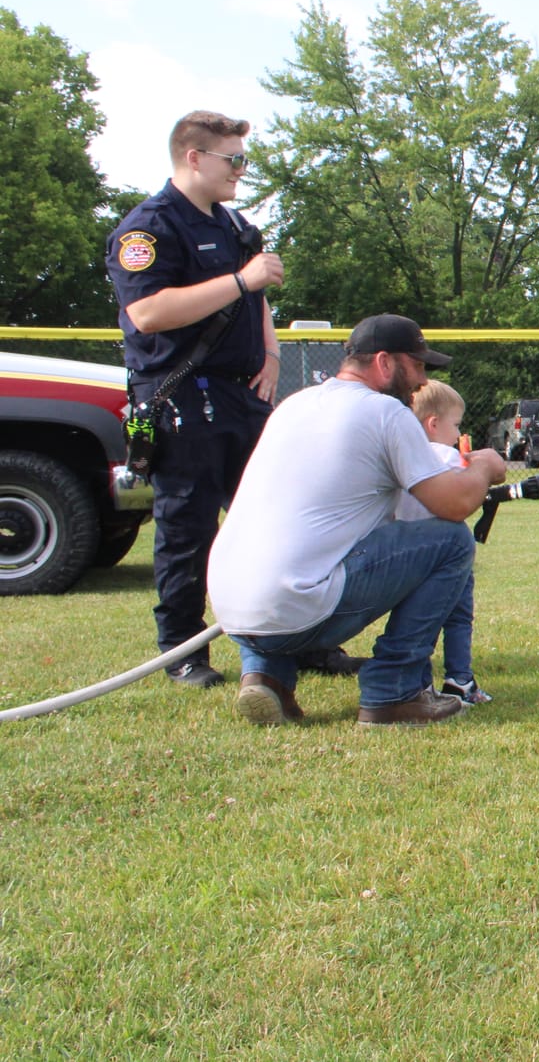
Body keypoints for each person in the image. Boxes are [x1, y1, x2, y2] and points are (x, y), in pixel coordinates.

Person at [104, 111, 358, 687]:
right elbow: (147, 313)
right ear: (194, 157)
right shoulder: (148, 230)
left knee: (285, 525)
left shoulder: (233, 223)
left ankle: (304, 641)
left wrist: (269, 356)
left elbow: (256, 301)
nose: (241, 170)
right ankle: (183, 653)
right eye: (233, 159)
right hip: (180, 400)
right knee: (188, 529)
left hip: (241, 396)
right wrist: (242, 280)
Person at [208, 315, 508, 727]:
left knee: (298, 558)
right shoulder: (385, 412)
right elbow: (453, 505)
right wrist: (485, 466)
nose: (422, 380)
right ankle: (394, 692)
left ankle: (266, 676)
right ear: (385, 363)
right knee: (452, 541)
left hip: (231, 607)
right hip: (296, 605)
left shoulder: (293, 405)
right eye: (417, 365)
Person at [393, 379, 492, 704]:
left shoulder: (400, 460)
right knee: (458, 618)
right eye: (456, 425)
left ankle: (420, 683)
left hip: (407, 559)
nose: (458, 434)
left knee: (418, 622)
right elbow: (468, 491)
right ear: (434, 424)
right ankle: (460, 680)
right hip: (448, 560)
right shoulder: (445, 457)